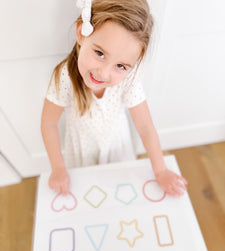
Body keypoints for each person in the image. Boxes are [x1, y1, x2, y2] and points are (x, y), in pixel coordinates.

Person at [41, 0, 188, 196]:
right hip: (81, 151)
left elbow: (145, 127)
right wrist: (58, 168)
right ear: (81, 33)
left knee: (119, 194)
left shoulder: (129, 81)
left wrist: (160, 170)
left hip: (117, 147)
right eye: (100, 53)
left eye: (121, 66)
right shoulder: (64, 77)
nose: (103, 73)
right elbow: (48, 124)